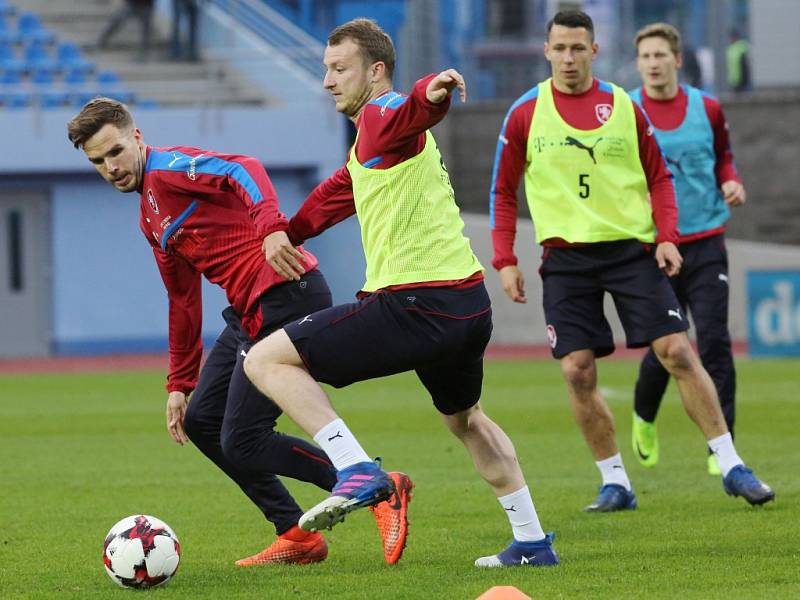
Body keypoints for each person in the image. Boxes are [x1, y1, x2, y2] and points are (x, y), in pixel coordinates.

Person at [243, 18, 560, 568]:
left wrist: (433, 88)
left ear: (376, 71)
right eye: (326, 69)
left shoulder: (384, 113)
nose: (327, 81)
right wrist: (286, 233)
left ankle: (355, 468)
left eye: (339, 69)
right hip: (466, 305)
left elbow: (415, 107)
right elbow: (336, 192)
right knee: (465, 421)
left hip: (415, 304)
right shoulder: (370, 143)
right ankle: (531, 541)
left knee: (266, 359)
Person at [66, 97, 410, 567]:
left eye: (116, 152)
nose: (111, 167)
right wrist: (178, 384)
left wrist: (271, 227)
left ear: (137, 138)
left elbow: (242, 168)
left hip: (286, 291)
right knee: (201, 422)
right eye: (98, 161)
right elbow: (183, 301)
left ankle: (374, 484)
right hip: (250, 312)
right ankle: (296, 533)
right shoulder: (150, 217)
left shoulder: (169, 170)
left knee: (243, 439)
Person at [489, 10, 773, 511]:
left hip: (630, 252)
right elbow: (503, 191)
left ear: (594, 51)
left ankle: (731, 464)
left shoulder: (622, 106)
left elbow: (659, 177)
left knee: (679, 352)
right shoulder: (525, 112)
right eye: (560, 48)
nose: (569, 58)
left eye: (579, 48)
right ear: (547, 50)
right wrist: (505, 258)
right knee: (577, 370)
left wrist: (666, 236)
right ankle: (615, 482)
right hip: (564, 257)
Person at [629, 23, 746, 476]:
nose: (654, 63)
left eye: (661, 55)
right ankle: (643, 418)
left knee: (715, 341)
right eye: (646, 57)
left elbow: (724, 156)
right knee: (667, 347)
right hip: (656, 247)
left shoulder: (708, 108)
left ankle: (724, 447)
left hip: (706, 241)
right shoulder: (626, 110)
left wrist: (731, 181)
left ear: (677, 60)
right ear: (637, 63)